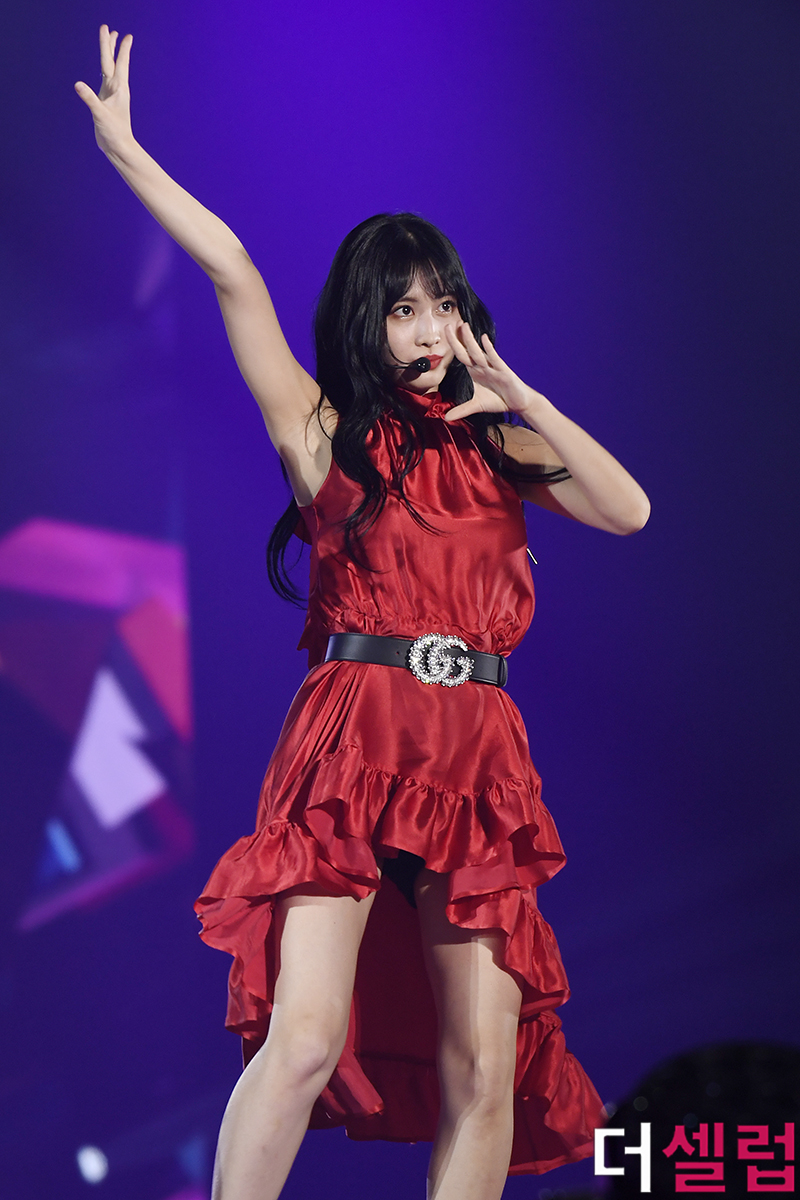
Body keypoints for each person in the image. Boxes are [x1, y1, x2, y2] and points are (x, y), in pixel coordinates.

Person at [76, 25, 650, 1200]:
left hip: (475, 745)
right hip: (356, 728)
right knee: (302, 1039)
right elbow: (235, 273)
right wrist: (130, 155)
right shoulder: (323, 435)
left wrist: (522, 396)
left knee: (482, 1066)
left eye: (440, 305)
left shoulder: (499, 449)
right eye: (402, 311)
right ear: (366, 325)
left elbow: (627, 510)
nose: (427, 330)